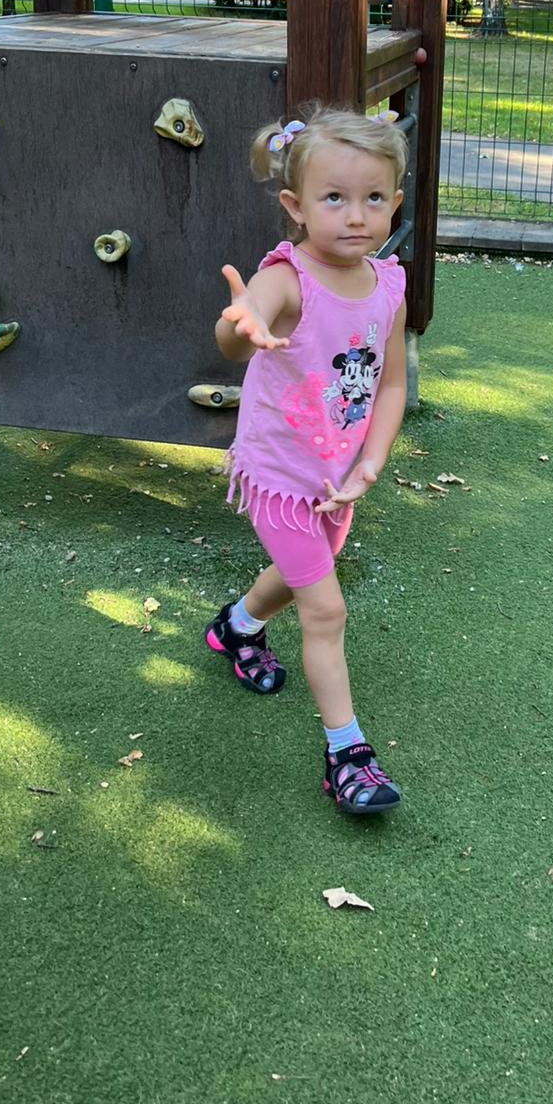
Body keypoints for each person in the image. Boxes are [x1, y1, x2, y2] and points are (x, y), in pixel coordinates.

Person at [206, 103, 409, 815]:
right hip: (280, 477)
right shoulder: (288, 277)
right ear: (295, 206)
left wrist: (370, 463)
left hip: (337, 479)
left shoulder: (388, 285)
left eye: (373, 198)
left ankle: (235, 628)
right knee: (325, 608)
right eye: (334, 198)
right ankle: (347, 756)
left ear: (395, 202)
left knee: (298, 581)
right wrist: (242, 326)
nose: (356, 216)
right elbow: (244, 326)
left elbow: (390, 383)